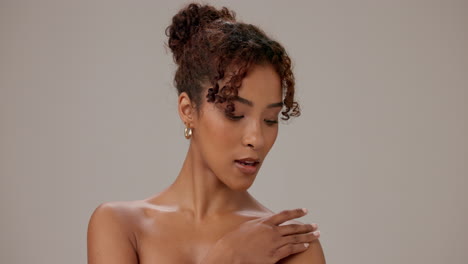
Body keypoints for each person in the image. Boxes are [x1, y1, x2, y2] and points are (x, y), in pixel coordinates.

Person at [87, 3, 325, 264]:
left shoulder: (290, 248)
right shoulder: (121, 226)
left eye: (270, 119)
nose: (256, 138)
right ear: (188, 110)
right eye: (234, 113)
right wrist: (227, 259)